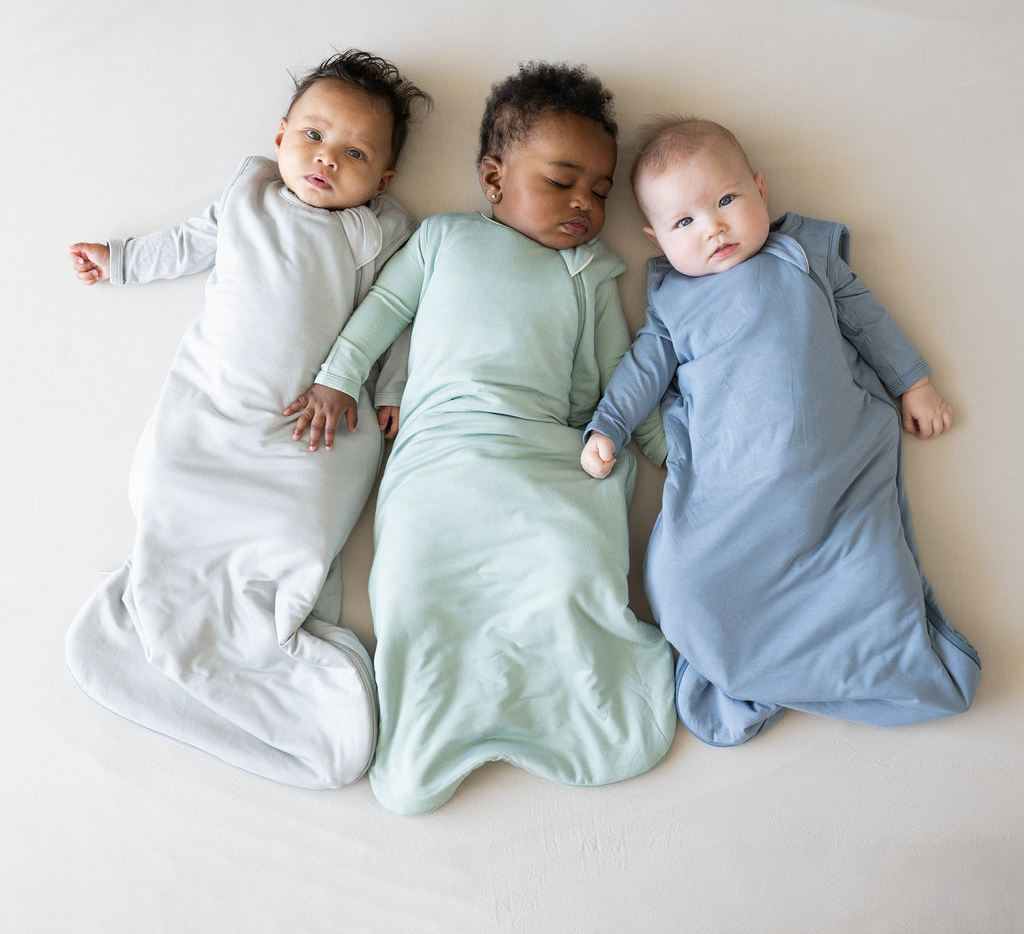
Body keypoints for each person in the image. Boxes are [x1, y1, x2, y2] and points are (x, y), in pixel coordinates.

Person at [291, 62, 676, 814]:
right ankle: (436, 726)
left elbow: (617, 383)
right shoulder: (441, 240)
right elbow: (380, 313)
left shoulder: (587, 269)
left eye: (600, 190)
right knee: (410, 587)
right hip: (440, 462)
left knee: (568, 569)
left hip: (542, 458)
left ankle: (564, 704)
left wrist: (671, 455)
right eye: (563, 180)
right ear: (494, 178)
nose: (584, 204)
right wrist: (339, 377)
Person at [64, 49, 431, 788]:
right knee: (165, 484)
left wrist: (388, 390)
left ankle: (270, 632)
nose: (327, 159)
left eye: (356, 153)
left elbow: (393, 318)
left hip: (309, 429)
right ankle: (170, 602)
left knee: (296, 528)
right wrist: (123, 261)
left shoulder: (376, 231)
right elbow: (192, 242)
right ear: (281, 136)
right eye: (315, 137)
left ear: (383, 180)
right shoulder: (248, 196)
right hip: (213, 406)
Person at [582, 116, 980, 747]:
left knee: (871, 570)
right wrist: (608, 425)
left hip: (834, 478)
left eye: (726, 201)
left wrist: (915, 383)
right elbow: (642, 371)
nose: (712, 226)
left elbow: (868, 319)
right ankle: (747, 665)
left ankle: (871, 659)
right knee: (675, 580)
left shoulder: (804, 254)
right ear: (655, 239)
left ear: (761, 191)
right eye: (684, 222)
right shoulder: (673, 302)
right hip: (732, 496)